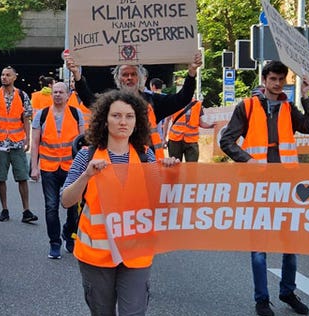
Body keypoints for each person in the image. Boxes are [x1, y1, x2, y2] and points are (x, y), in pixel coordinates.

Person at [61, 90, 176, 316]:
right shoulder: (86, 155)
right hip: (96, 256)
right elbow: (67, 200)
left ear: (137, 121)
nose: (122, 122)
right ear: (104, 120)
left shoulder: (147, 155)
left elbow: (162, 203)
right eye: (116, 116)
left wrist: (170, 174)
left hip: (136, 255)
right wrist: (88, 176)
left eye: (129, 116)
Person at [218, 61, 309, 316]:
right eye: (273, 79)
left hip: (286, 184)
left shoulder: (288, 107)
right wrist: (247, 160)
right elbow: (226, 140)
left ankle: (287, 291)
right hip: (258, 185)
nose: (277, 83)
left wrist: (307, 96)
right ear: (264, 80)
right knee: (259, 245)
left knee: (290, 242)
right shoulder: (248, 106)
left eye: (280, 79)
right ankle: (262, 299)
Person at [67, 52, 202, 160]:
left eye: (133, 74)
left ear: (140, 78)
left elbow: (182, 99)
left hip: (148, 164)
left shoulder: (153, 101)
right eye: (125, 75)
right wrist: (77, 76)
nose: (129, 78)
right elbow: (89, 100)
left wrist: (191, 74)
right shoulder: (110, 102)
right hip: (117, 162)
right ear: (118, 79)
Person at [29, 80, 84, 259]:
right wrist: (34, 167)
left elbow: (84, 142)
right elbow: (35, 143)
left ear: (68, 95)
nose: (58, 95)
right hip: (49, 168)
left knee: (72, 207)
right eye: (55, 92)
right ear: (51, 95)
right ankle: (54, 243)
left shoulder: (77, 114)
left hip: (72, 168)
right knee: (51, 206)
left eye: (61, 92)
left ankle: (69, 233)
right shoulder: (42, 115)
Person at [0, 66, 36, 223]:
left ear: (15, 77)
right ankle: (4, 209)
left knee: (22, 177)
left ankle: (26, 210)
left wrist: (27, 139)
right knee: (0, 177)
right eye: (2, 74)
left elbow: (26, 118)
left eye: (8, 75)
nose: (4, 77)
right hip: (0, 143)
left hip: (17, 143)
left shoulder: (22, 96)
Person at [165, 95, 203, 163]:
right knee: (175, 167)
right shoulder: (175, 102)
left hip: (191, 140)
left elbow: (201, 122)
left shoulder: (198, 104)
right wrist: (164, 138)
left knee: (192, 167)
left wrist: (212, 125)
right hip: (175, 139)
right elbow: (167, 120)